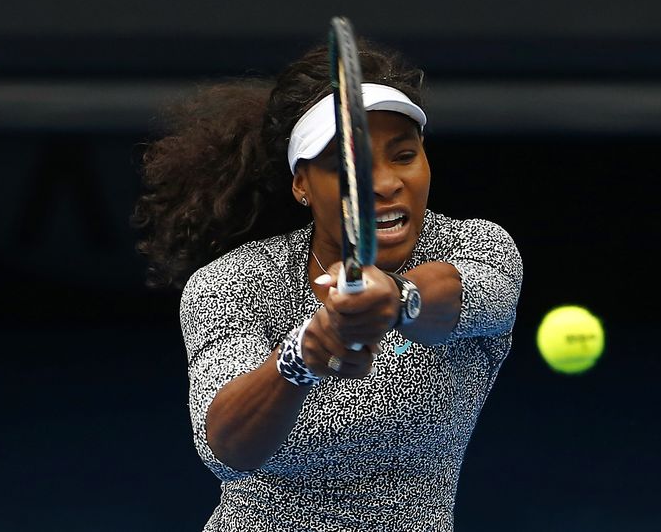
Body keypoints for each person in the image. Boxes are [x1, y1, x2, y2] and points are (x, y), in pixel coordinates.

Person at [133, 37, 523, 532]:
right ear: (301, 183)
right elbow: (229, 449)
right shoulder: (234, 282)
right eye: (348, 166)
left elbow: (452, 296)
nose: (383, 183)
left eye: (403, 155)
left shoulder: (478, 247)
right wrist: (303, 355)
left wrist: (397, 299)